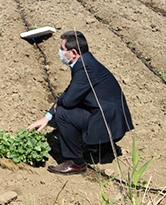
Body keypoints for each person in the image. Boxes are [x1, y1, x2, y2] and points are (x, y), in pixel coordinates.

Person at [28, 30, 133, 174]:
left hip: (108, 123)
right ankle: (102, 147)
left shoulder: (85, 67)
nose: (60, 52)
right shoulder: (86, 61)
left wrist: (55, 112)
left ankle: (76, 163)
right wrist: (47, 117)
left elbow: (69, 100)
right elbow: (70, 91)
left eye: (62, 49)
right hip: (112, 120)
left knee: (63, 114)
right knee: (72, 106)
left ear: (74, 52)